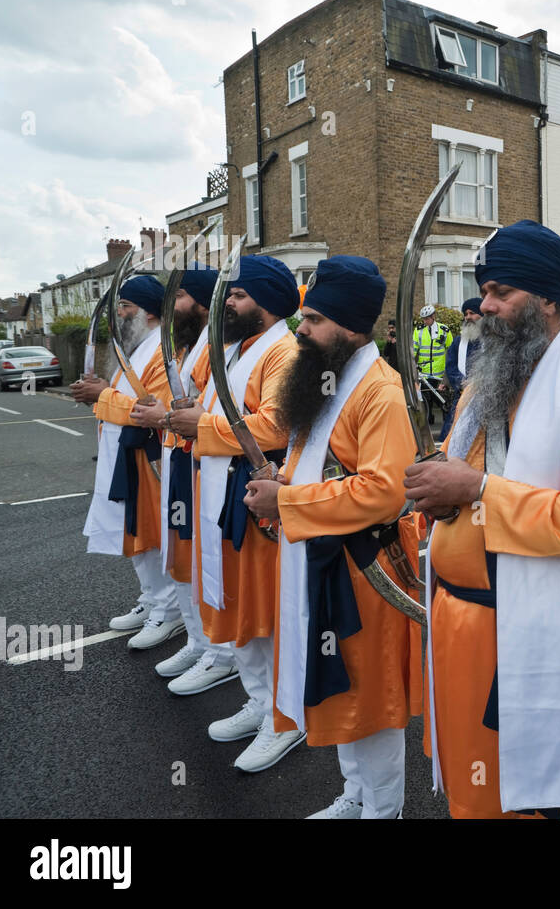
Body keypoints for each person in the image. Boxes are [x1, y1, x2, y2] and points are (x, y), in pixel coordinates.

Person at [401, 219, 560, 819]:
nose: (484, 306)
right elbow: (463, 473)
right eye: (483, 291)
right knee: (474, 780)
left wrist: (477, 488)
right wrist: (439, 493)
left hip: (531, 618)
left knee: (539, 790)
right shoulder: (487, 378)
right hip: (457, 617)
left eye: (499, 293)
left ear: (547, 299)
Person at [240, 256, 424, 817]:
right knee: (339, 685)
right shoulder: (324, 378)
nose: (301, 329)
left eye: (314, 319)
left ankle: (383, 809)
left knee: (370, 697)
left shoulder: (380, 392)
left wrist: (287, 500)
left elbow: (383, 493)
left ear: (349, 327)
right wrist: (281, 479)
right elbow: (312, 459)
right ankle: (355, 794)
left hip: (367, 573)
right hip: (321, 560)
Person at [167, 255, 304, 771]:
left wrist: (198, 428)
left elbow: (274, 426)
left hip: (252, 498)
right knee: (233, 602)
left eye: (239, 296)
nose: (228, 302)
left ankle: (283, 718)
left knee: (262, 611)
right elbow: (201, 392)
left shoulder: (283, 353)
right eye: (228, 294)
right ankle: (257, 700)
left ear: (266, 304)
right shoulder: (235, 345)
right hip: (217, 489)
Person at [129, 264, 241, 692]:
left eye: (177, 298)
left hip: (206, 463)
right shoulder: (185, 346)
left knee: (207, 559)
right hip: (181, 462)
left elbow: (219, 414)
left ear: (200, 300)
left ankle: (222, 652)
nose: (170, 307)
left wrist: (170, 417)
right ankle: (199, 642)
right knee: (184, 556)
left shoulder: (217, 347)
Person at [73, 275, 184, 651]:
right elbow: (125, 396)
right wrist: (100, 391)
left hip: (148, 458)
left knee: (151, 533)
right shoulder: (135, 348)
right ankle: (152, 599)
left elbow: (152, 408)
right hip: (123, 455)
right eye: (119, 306)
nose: (119, 314)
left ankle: (168, 611)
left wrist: (102, 394)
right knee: (134, 532)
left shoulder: (163, 350)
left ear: (148, 311)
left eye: (125, 307)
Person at [438, 297, 482, 443]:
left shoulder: (492, 340)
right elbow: (450, 367)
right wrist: (463, 383)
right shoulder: (458, 342)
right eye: (466, 313)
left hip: (485, 401)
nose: (468, 317)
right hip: (461, 398)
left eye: (472, 313)